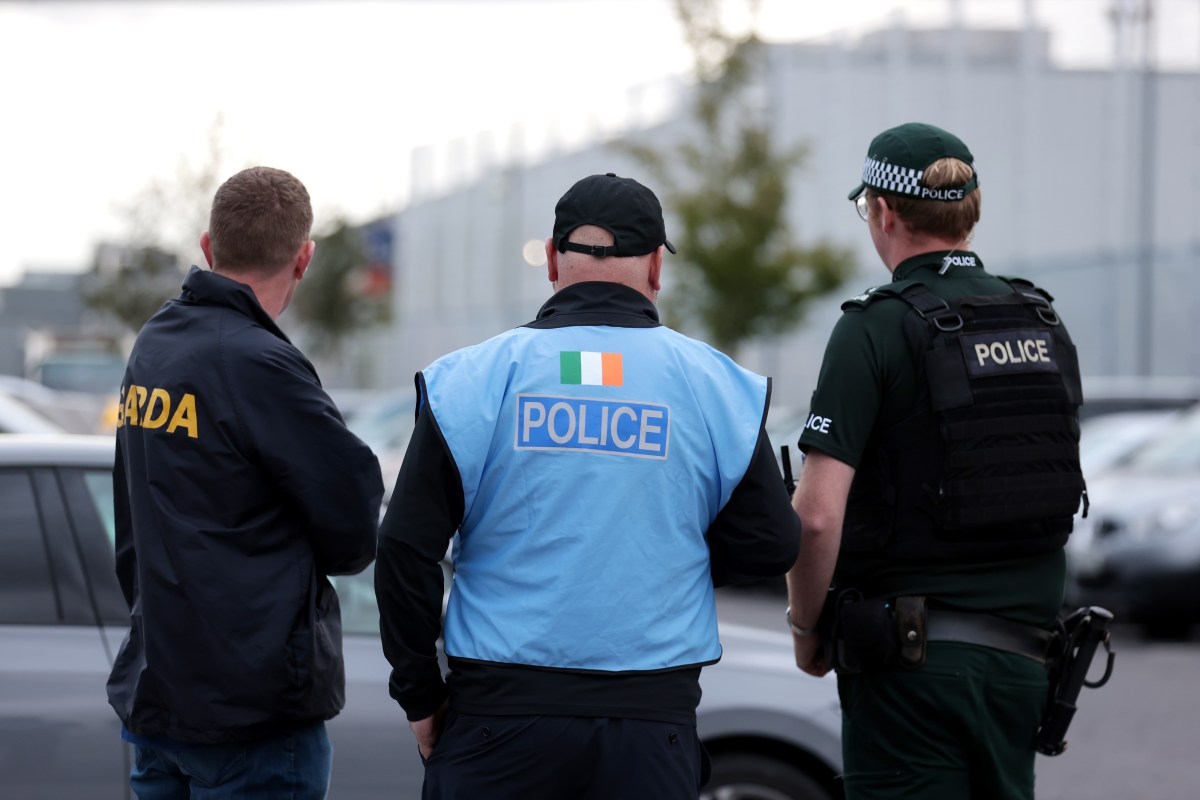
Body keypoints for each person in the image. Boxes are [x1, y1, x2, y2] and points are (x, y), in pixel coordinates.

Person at [374, 172, 801, 799]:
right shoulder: (716, 385)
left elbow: (404, 549)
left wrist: (420, 696)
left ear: (552, 260)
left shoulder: (471, 379)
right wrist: (663, 557)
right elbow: (771, 544)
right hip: (648, 725)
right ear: (656, 267)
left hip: (497, 719)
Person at [785, 122, 1087, 799]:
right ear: (970, 211)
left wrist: (807, 630)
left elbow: (816, 517)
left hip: (909, 673)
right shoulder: (1041, 321)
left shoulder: (874, 327)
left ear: (884, 212)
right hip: (1026, 665)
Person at [106, 166, 384, 799]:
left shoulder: (155, 343)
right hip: (249, 716)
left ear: (208, 246)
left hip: (161, 695)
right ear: (304, 258)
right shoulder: (259, 362)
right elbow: (353, 526)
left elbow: (133, 515)